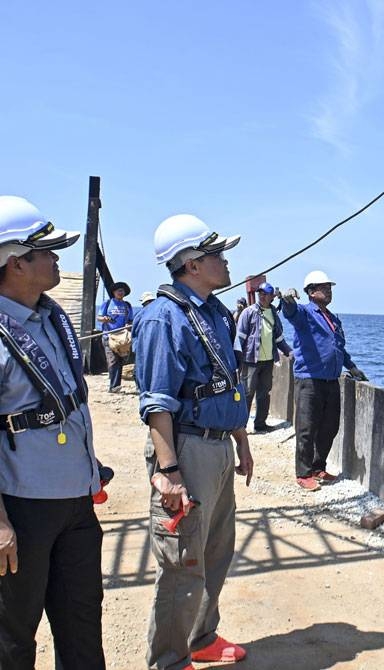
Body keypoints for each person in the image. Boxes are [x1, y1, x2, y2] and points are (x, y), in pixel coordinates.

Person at [133, 213, 253, 669]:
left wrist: (240, 441)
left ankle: (202, 637)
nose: (225, 261)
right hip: (187, 448)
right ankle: (168, 659)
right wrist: (168, 472)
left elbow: (227, 381)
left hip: (218, 444)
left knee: (216, 548)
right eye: (216, 255)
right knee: (183, 559)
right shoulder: (164, 318)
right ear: (192, 265)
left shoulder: (214, 312)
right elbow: (158, 403)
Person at [0, 195, 106, 669]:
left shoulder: (50, 318)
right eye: (45, 252)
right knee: (12, 636)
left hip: (76, 504)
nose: (56, 258)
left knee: (82, 626)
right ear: (15, 263)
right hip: (22, 509)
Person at [281, 270, 366, 491]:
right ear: (310, 291)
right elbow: (290, 312)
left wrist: (352, 367)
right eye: (324, 287)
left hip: (331, 381)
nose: (329, 291)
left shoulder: (334, 319)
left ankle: (318, 467)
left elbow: (339, 348)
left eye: (330, 288)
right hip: (309, 380)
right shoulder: (305, 314)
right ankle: (303, 473)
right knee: (307, 428)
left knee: (329, 427)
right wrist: (286, 299)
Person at [235, 282, 291, 433]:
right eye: (260, 293)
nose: (262, 296)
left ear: (272, 297)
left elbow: (278, 338)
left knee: (264, 394)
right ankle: (241, 427)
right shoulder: (249, 312)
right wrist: (236, 359)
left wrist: (289, 352)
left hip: (268, 361)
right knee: (246, 394)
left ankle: (260, 424)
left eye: (265, 293)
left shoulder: (273, 313)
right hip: (250, 360)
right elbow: (239, 337)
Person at [98, 281, 134, 392]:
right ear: (114, 292)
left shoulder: (127, 305)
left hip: (122, 337)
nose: (120, 292)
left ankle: (116, 386)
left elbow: (130, 320)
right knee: (112, 361)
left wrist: (128, 325)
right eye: (118, 290)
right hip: (108, 336)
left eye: (122, 291)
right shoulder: (107, 303)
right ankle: (113, 386)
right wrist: (104, 319)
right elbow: (99, 317)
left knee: (119, 361)